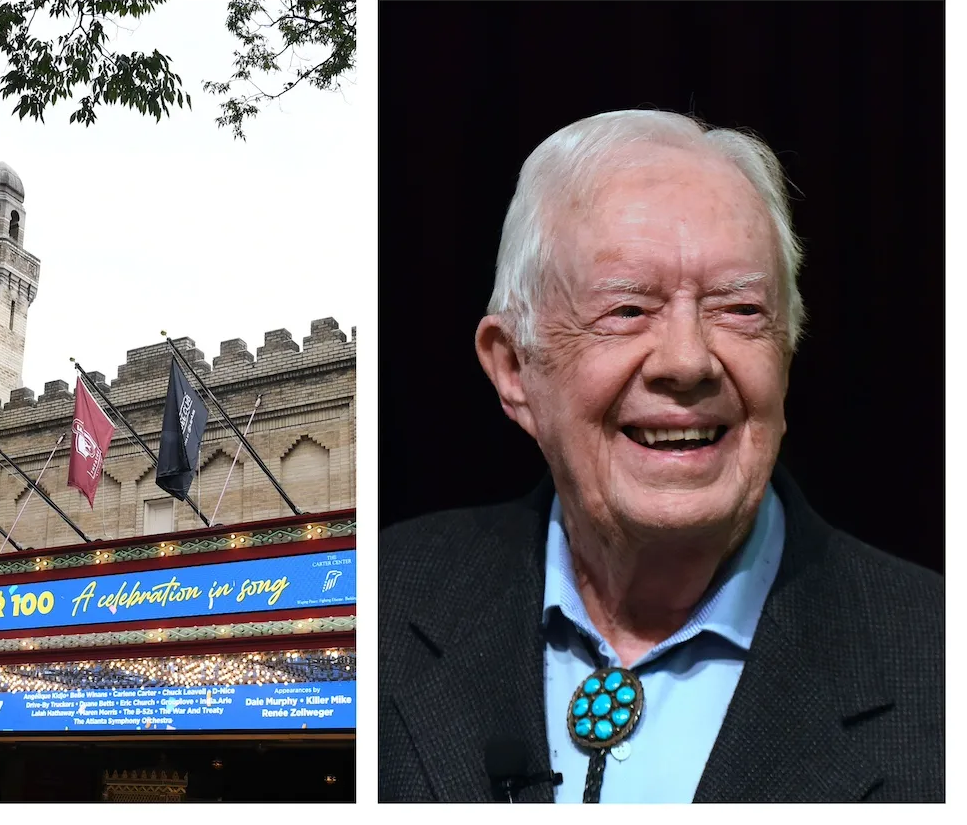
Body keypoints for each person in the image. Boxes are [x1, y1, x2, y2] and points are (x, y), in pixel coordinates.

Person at [378, 110, 944, 803]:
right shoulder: (379, 604)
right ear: (514, 370)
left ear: (787, 353)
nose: (688, 361)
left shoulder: (937, 660)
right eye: (627, 310)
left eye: (739, 309)